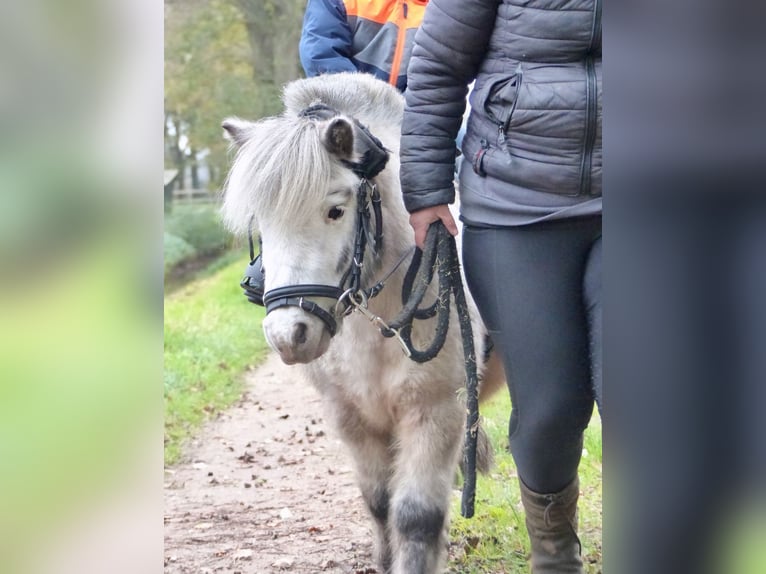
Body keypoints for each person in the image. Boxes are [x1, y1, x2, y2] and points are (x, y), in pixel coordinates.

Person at [399, 0, 602, 572]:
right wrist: (425, 189)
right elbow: (437, 65)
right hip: (516, 207)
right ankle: (555, 552)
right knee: (549, 408)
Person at [299, 0, 429, 93]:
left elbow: (438, 75)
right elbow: (322, 55)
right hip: (347, 109)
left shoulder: (441, 8)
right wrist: (370, 103)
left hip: (415, 116)